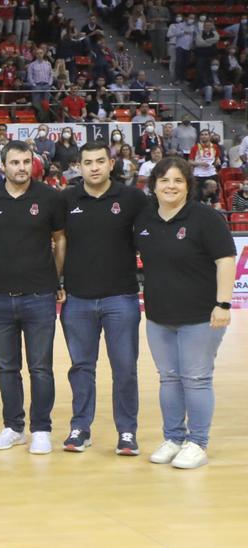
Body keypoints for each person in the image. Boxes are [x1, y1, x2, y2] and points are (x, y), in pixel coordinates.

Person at [134, 156, 235, 470]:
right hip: (159, 316)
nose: (170, 186)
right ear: (154, 185)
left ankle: (198, 442)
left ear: (188, 185)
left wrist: (223, 304)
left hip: (201, 316)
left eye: (178, 180)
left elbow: (226, 260)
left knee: (196, 378)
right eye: (164, 180)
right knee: (169, 379)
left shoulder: (205, 218)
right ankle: (174, 438)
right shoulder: (145, 220)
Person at [60, 141, 147, 455]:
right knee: (81, 368)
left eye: (100, 161)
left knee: (124, 367)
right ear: (79, 166)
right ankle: (80, 428)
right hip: (78, 299)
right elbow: (56, 242)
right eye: (88, 162)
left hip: (121, 298)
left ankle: (126, 432)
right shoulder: (67, 199)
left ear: (111, 164)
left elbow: (153, 238)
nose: (94, 167)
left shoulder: (133, 198)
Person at [0, 140, 66, 455]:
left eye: (26, 162)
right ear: (3, 165)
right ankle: (13, 427)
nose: (21, 168)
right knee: (7, 368)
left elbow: (59, 240)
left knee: (40, 367)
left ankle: (41, 428)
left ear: (33, 164)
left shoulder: (48, 198)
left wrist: (56, 278)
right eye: (15, 162)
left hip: (39, 296)